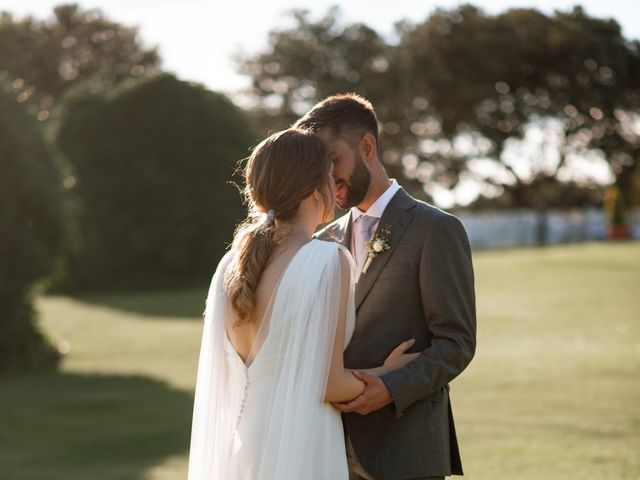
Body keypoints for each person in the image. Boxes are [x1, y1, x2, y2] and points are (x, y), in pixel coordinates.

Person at [187, 127, 418, 480]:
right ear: (314, 190)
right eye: (329, 176)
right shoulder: (327, 259)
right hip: (300, 441)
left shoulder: (230, 264)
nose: (336, 186)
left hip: (243, 442)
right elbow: (330, 385)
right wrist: (391, 372)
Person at [295, 94, 477, 480]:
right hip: (327, 449)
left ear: (367, 146)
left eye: (332, 160)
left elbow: (456, 342)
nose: (327, 178)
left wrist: (390, 387)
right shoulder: (320, 242)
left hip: (405, 451)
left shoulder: (435, 229)